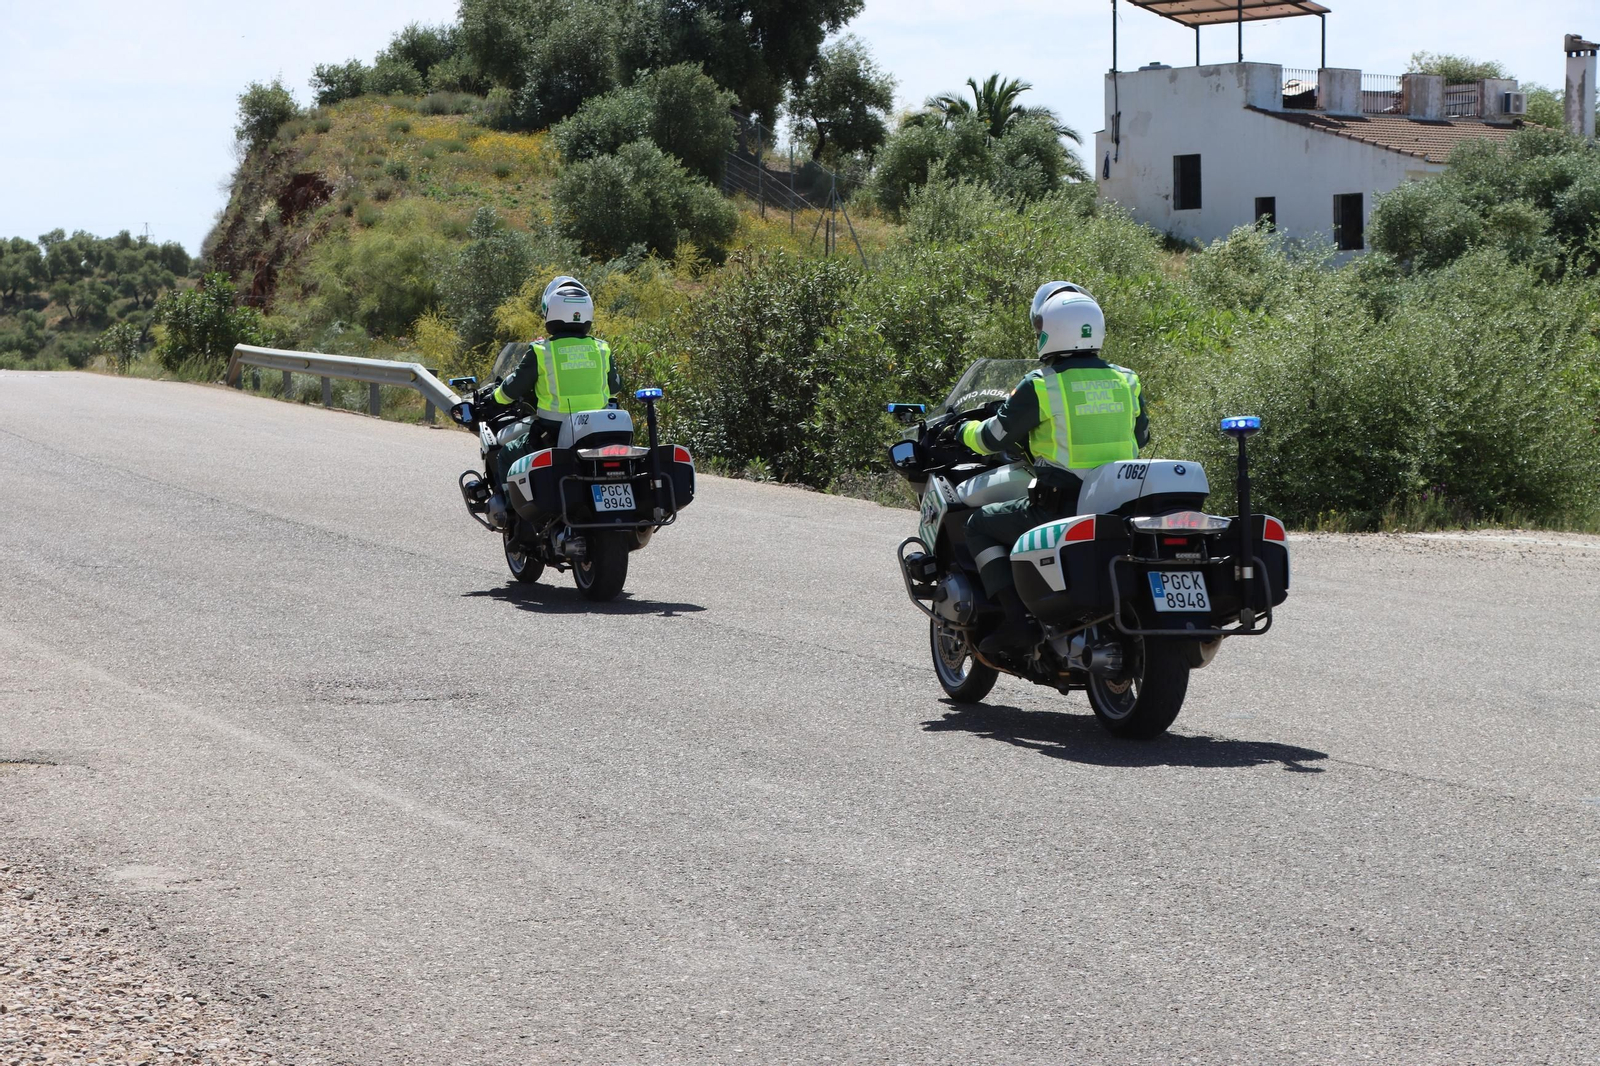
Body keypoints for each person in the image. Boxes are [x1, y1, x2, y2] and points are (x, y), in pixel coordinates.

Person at [957, 283, 1149, 656]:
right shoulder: (1127, 380)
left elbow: (992, 439)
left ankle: (1017, 622)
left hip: (1061, 507)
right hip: (1122, 505)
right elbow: (1140, 435)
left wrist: (961, 431)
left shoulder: (1043, 384)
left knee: (979, 526)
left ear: (1051, 330)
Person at [473, 276, 621, 495]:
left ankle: (512, 516)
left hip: (552, 433)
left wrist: (495, 398)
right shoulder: (602, 348)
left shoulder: (542, 351)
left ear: (550, 312)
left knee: (506, 455)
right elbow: (616, 386)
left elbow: (514, 387)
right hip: (597, 433)